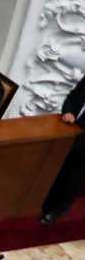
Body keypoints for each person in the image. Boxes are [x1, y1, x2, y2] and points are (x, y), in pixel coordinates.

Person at [41, 72, 85, 223]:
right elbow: (73, 97)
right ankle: (44, 201)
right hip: (69, 130)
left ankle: (56, 210)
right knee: (57, 169)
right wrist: (68, 111)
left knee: (73, 178)